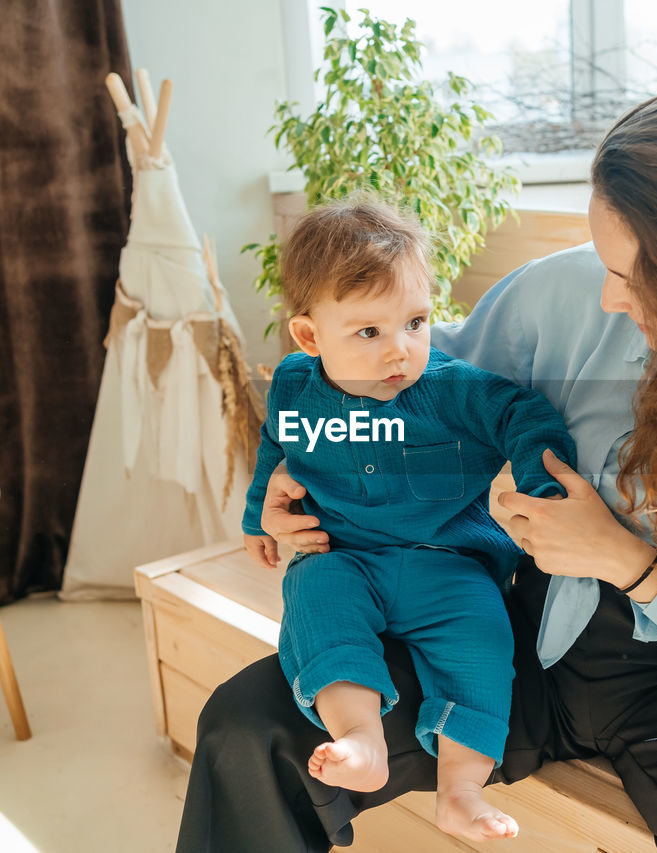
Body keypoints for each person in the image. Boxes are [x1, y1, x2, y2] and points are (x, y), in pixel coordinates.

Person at [176, 82, 657, 852]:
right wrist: (298, 471)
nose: (607, 296)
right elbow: (403, 366)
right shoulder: (569, 294)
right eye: (604, 263)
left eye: (630, 274)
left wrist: (632, 563)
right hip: (511, 634)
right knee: (246, 729)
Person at [238, 197, 578, 843]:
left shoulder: (452, 388)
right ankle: (361, 737)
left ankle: (462, 789)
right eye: (369, 332)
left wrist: (541, 482)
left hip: (447, 566)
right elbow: (275, 448)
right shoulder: (292, 385)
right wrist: (259, 516)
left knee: (482, 642)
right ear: (311, 337)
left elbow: (525, 416)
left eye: (416, 321)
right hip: (343, 555)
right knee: (313, 599)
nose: (400, 349)